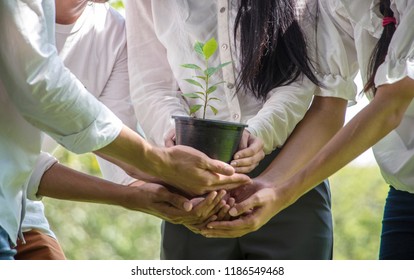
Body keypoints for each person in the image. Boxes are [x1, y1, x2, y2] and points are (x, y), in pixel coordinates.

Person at [0, 0, 251, 260]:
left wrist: (189, 195)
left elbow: (120, 155)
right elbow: (43, 87)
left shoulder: (114, 33)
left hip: (16, 207)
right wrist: (159, 163)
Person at [125, 0, 356, 259]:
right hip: (191, 179)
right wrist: (175, 135)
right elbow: (151, 84)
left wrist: (260, 134)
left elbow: (297, 79)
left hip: (288, 165)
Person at [202, 0, 414, 260]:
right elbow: (328, 110)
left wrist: (284, 193)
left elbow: (391, 106)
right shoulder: (336, 4)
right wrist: (267, 182)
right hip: (406, 191)